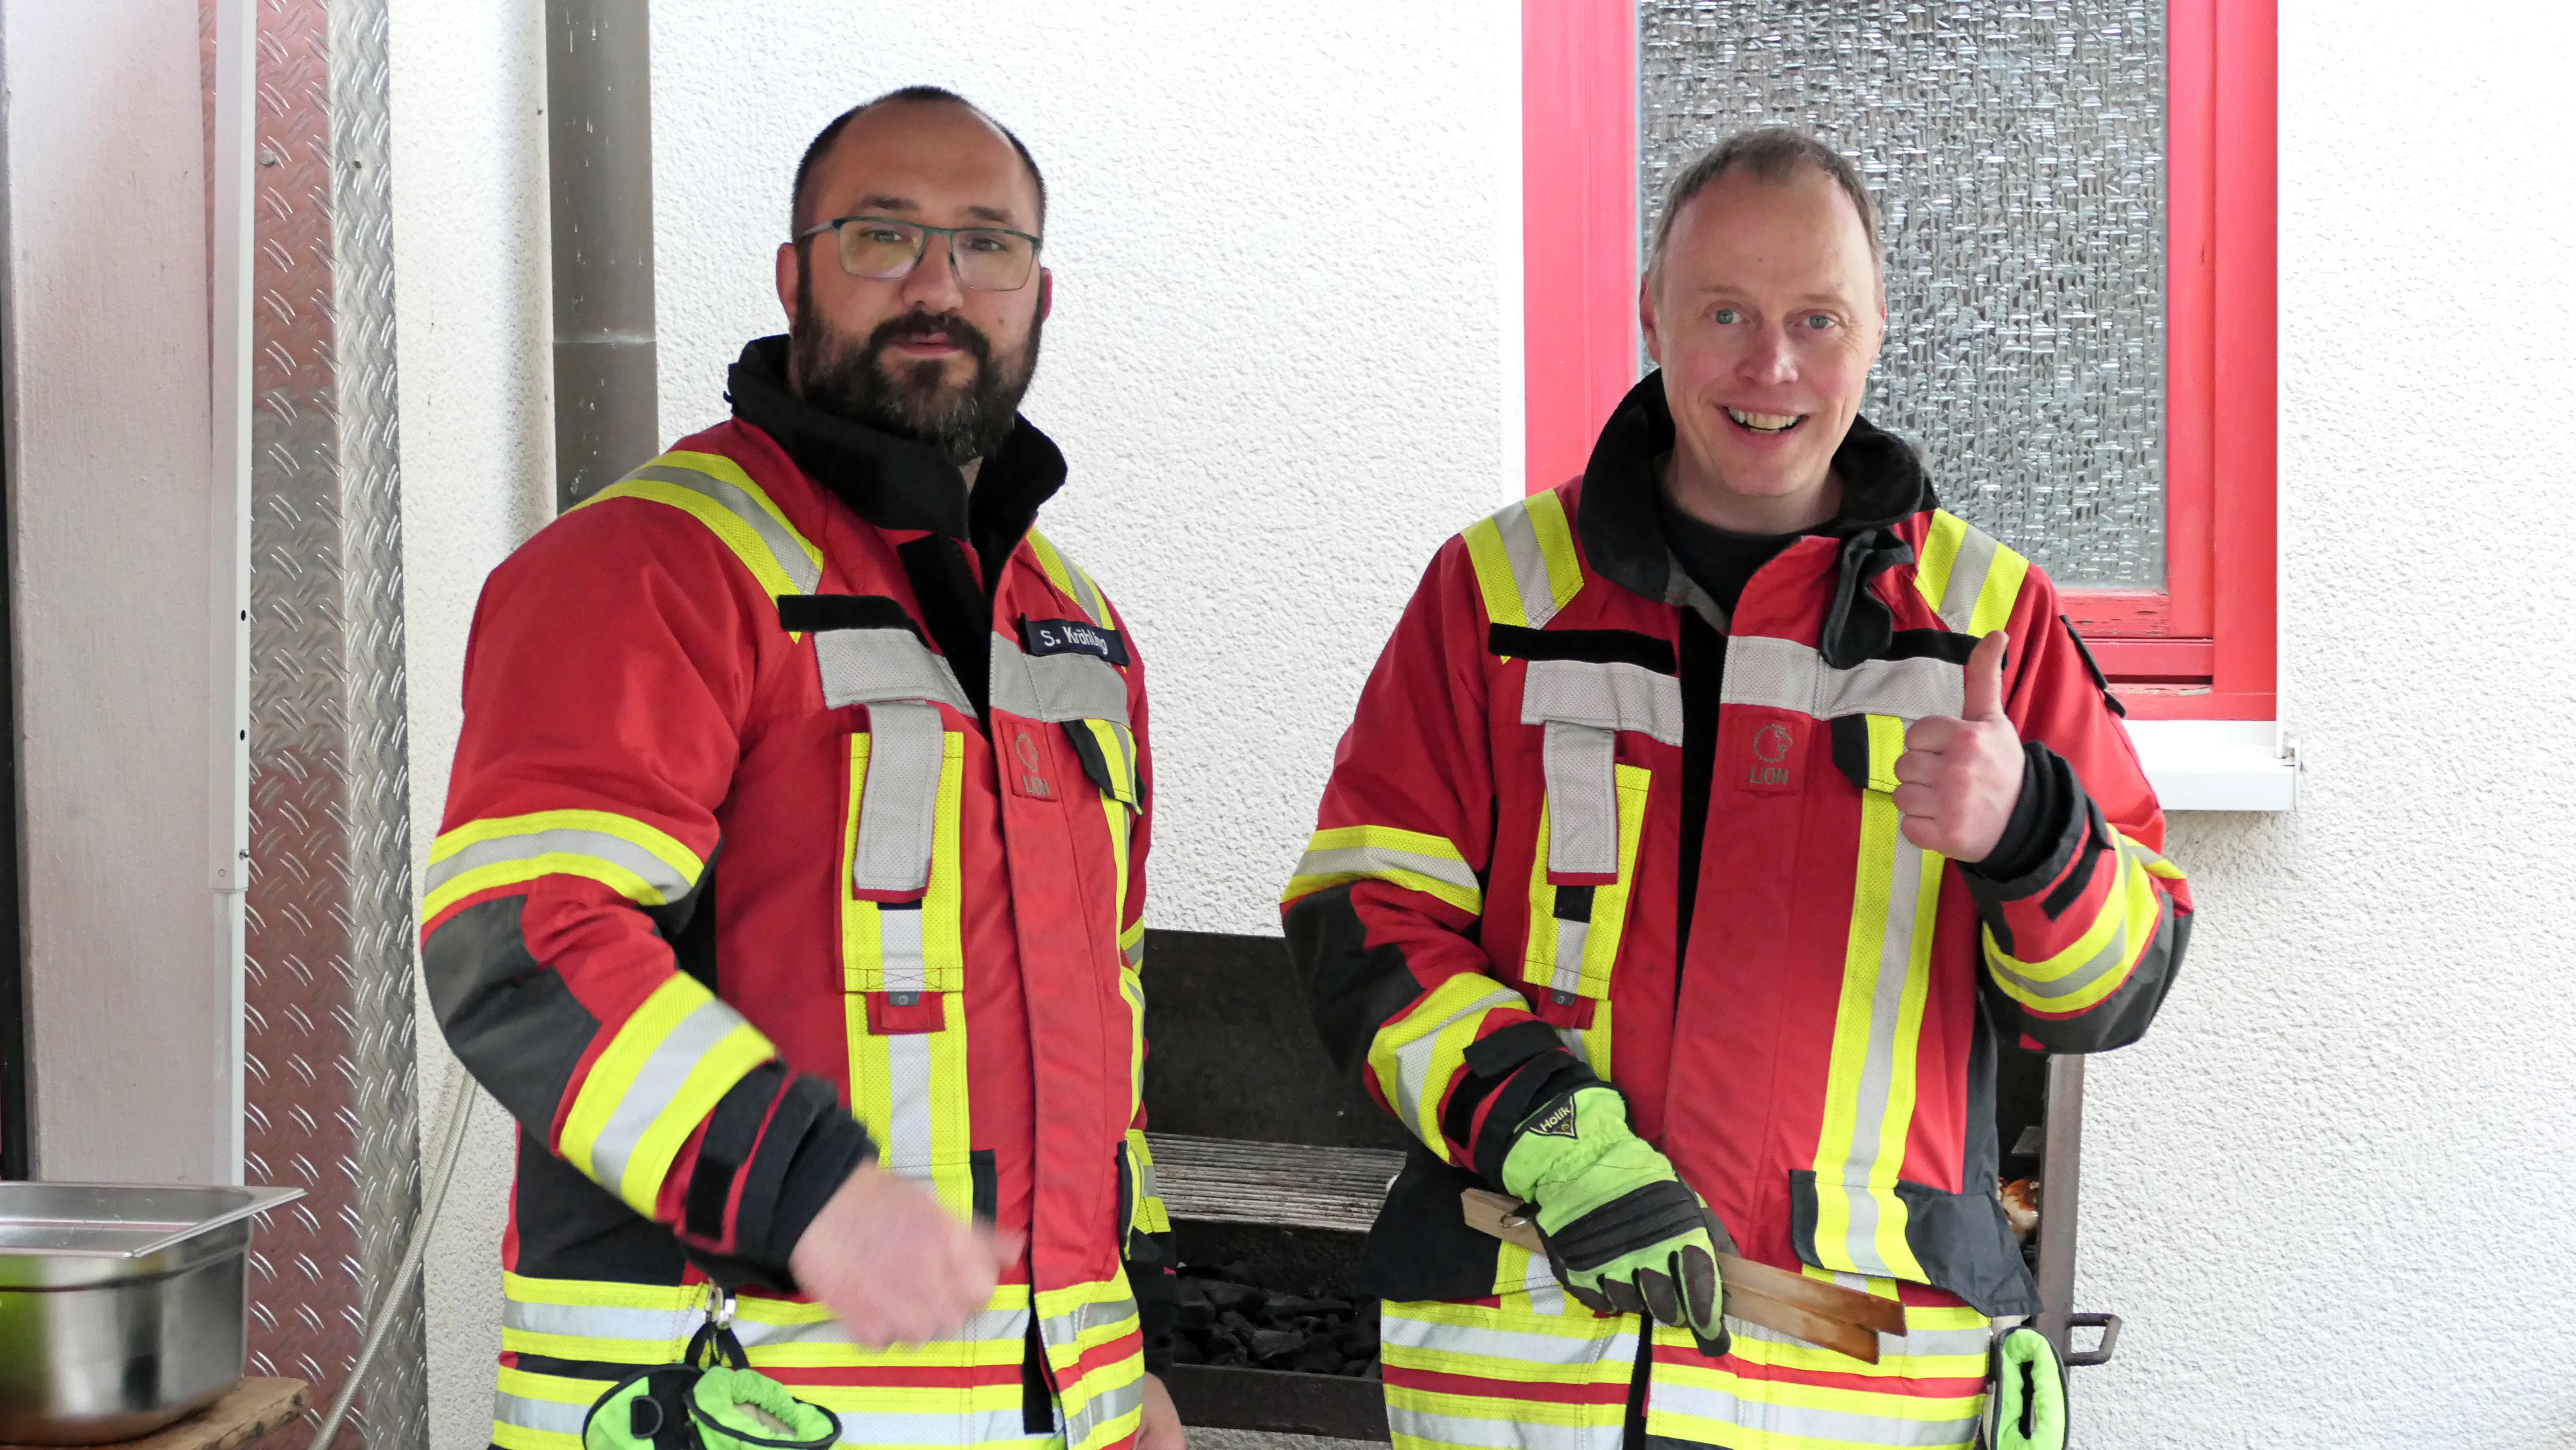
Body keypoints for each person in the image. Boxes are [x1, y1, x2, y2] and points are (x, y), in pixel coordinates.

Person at [1283, 126, 2191, 1450]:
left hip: (1856, 1390)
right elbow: (1364, 921)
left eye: (1817, 319)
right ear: (1651, 311)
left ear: (1880, 328)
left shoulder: (1988, 620)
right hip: (1529, 1375)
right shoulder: (1494, 594)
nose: (1771, 367)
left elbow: (2119, 985)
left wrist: (2030, 834)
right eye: (1725, 313)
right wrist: (1552, 1136)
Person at [426, 86, 1183, 1450]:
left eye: (986, 245)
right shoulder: (648, 567)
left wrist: (1128, 1361)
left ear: (1040, 291)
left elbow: (1103, 1015)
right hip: (703, 1405)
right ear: (794, 276)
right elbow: (525, 944)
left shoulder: (1076, 625)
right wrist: (811, 1190)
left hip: (1054, 1405)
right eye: (881, 235)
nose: (938, 286)